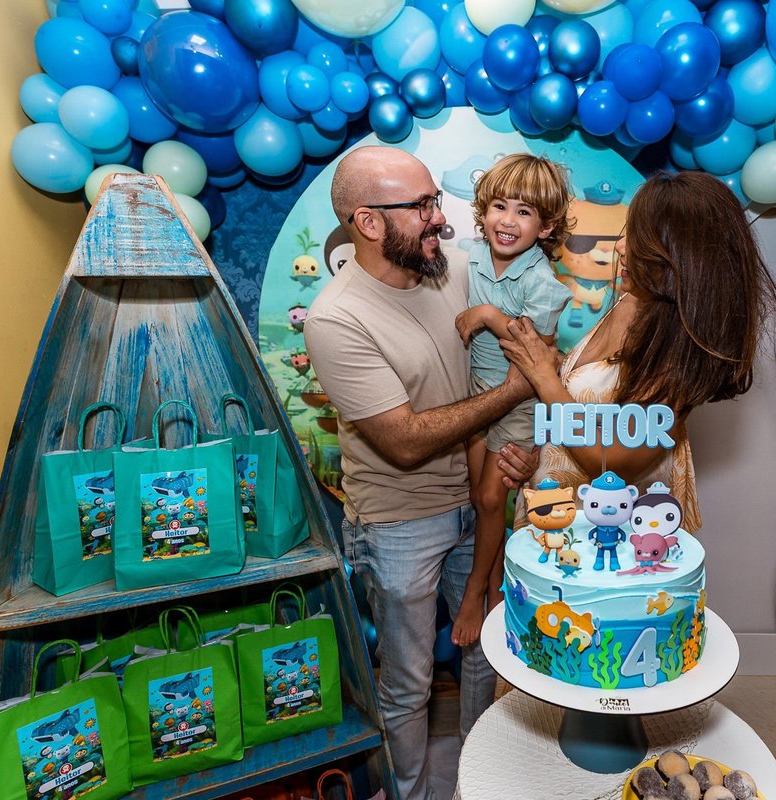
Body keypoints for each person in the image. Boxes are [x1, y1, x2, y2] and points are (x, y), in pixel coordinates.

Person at [303, 146, 540, 800]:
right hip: (398, 523)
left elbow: (536, 309)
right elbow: (405, 442)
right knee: (407, 683)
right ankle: (411, 794)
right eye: (423, 206)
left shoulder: (452, 271)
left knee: (486, 656)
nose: (441, 219)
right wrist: (517, 390)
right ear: (369, 224)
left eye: (438, 200)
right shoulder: (336, 318)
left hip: (480, 500)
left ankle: (477, 785)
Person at [500, 170, 776, 528]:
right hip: (558, 515)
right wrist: (541, 460)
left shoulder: (679, 347)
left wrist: (543, 376)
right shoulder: (632, 298)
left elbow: (613, 461)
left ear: (680, 254)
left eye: (640, 237)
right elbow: (592, 410)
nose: (622, 246)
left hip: (618, 538)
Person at [451, 154, 574, 647]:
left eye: (525, 212)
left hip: (517, 399)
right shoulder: (470, 258)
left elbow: (533, 351)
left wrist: (486, 312)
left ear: (545, 228)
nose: (508, 220)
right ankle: (496, 582)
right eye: (499, 206)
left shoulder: (541, 283)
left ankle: (478, 590)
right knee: (476, 498)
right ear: (482, 213)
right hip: (476, 392)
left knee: (488, 497)